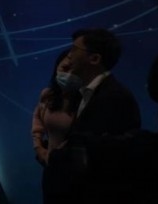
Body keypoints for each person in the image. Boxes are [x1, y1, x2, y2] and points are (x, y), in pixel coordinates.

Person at [47, 28, 141, 202]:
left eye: (74, 50)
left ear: (95, 59)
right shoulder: (85, 94)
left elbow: (111, 158)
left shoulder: (115, 97)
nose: (69, 55)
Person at [32, 50, 81, 203]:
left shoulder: (86, 100)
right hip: (50, 169)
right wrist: (38, 147)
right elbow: (37, 119)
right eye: (65, 68)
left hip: (77, 173)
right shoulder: (48, 95)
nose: (69, 74)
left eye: (75, 71)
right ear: (56, 68)